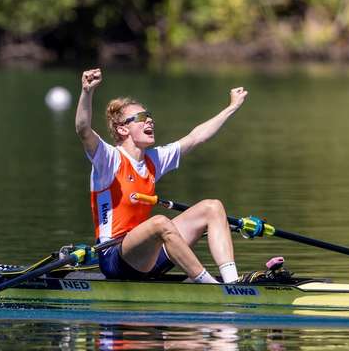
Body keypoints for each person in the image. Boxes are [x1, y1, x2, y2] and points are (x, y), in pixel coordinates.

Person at [75, 67, 246, 284]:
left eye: (150, 116)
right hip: (114, 257)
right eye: (141, 117)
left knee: (212, 207)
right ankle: (210, 286)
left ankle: (232, 283)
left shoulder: (153, 159)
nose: (149, 121)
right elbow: (83, 129)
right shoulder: (108, 159)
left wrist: (232, 107)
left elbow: (196, 137)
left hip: (147, 256)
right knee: (160, 222)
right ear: (122, 129)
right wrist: (87, 92)